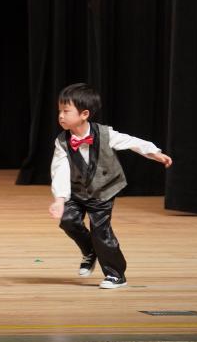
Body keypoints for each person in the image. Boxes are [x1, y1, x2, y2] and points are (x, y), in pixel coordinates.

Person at [49, 83, 172, 289]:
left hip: (103, 191)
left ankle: (116, 274)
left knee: (101, 231)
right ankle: (89, 250)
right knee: (68, 220)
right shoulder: (62, 141)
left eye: (66, 111)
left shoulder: (105, 134)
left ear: (84, 114)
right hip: (77, 191)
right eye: (59, 111)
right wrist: (59, 200)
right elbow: (59, 169)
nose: (61, 116)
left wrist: (154, 152)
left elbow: (131, 142)